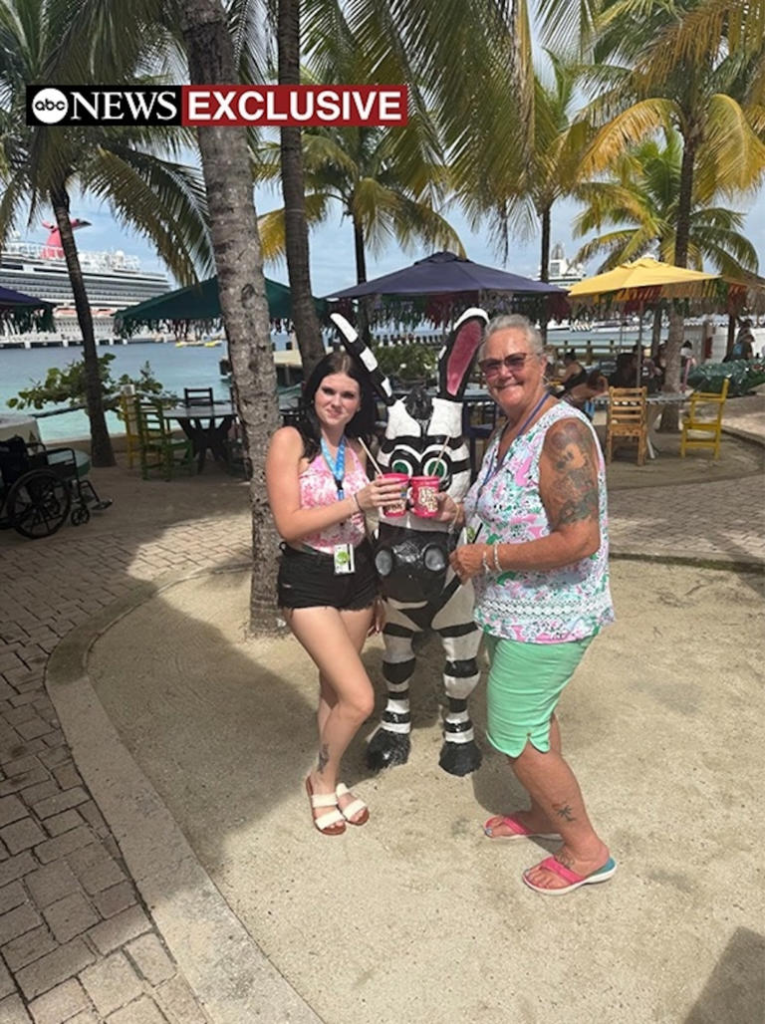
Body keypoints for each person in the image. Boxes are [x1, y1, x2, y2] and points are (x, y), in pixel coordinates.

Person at [437, 314, 616, 895]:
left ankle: (587, 850)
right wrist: (457, 512)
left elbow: (579, 539)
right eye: (491, 365)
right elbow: (507, 506)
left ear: (543, 363)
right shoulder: (510, 428)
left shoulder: (560, 434)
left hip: (551, 617)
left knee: (511, 730)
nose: (503, 372)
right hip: (511, 612)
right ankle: (543, 811)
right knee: (535, 719)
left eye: (515, 360)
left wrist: (486, 558)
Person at [266, 351, 404, 836]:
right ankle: (321, 781)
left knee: (333, 688)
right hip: (308, 577)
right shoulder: (290, 441)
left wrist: (380, 587)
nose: (337, 401)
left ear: (359, 402)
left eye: (348, 394)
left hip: (358, 576)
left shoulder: (358, 447)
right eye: (329, 390)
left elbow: (365, 526)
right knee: (360, 697)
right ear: (313, 392)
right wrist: (356, 501)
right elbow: (288, 524)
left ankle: (332, 773)